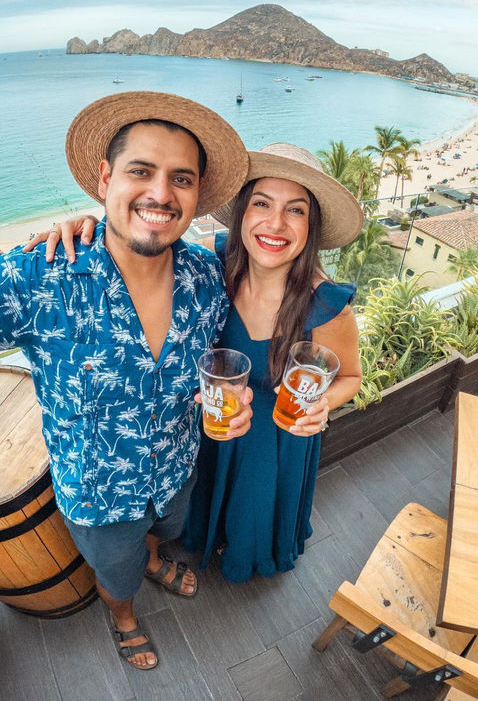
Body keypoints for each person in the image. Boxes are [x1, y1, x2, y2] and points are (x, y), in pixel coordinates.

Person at [0, 91, 254, 671]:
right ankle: (124, 618)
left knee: (166, 529)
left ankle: (157, 557)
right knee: (116, 574)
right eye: (141, 171)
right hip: (99, 495)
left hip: (177, 466)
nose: (161, 194)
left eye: (180, 180)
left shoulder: (206, 275)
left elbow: (235, 332)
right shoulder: (39, 276)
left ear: (194, 196)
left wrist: (234, 407)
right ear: (105, 177)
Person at [33, 142, 363, 585]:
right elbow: (142, 247)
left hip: (278, 439)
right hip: (210, 426)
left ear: (311, 227)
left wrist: (323, 405)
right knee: (200, 497)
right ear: (243, 212)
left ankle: (244, 551)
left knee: (254, 508)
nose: (276, 223)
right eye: (261, 203)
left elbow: (350, 377)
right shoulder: (212, 263)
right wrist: (87, 225)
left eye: (296, 210)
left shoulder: (327, 306)